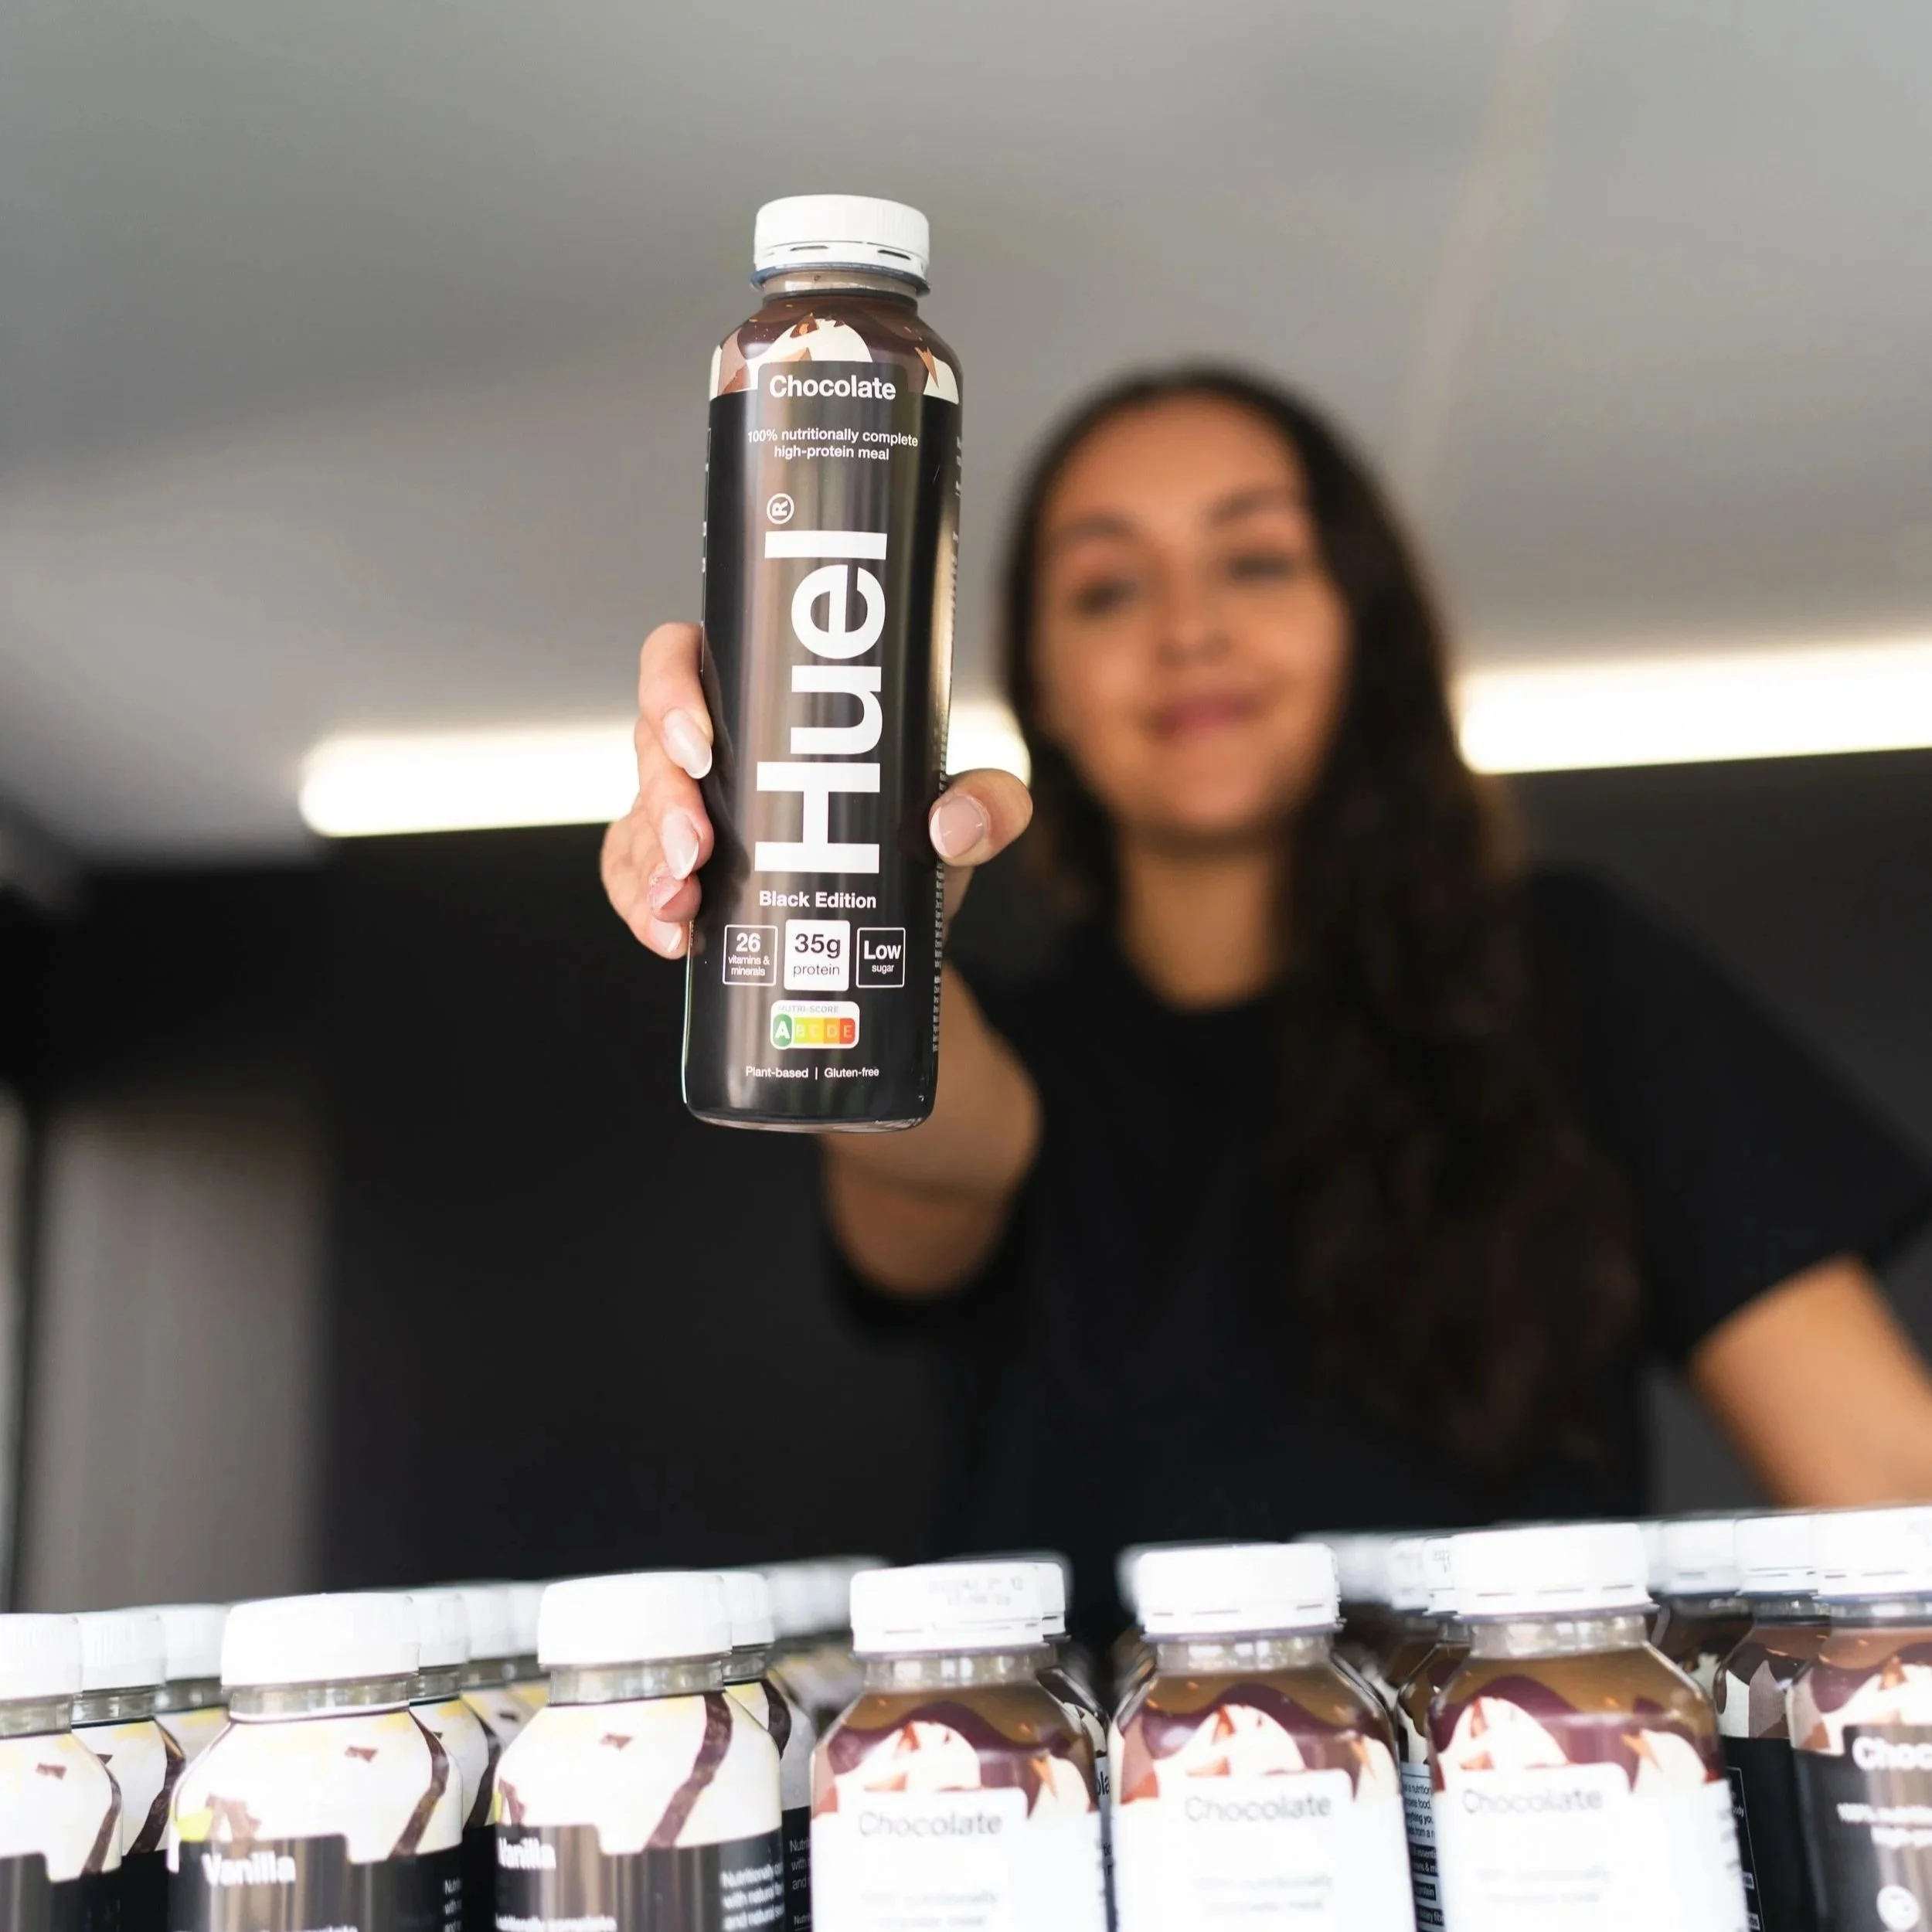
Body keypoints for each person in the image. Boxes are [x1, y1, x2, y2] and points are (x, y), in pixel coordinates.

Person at [604, 368, 1932, 1631]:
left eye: (1256, 560)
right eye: (1109, 588)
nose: (1190, 630)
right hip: (1038, 1820)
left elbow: (1883, 1473)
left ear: (1365, 625)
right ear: (1045, 684)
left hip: (1531, 1812)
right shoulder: (1018, 1048)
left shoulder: (1574, 975)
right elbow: (927, 1141)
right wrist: (829, 913)